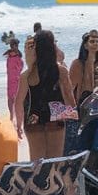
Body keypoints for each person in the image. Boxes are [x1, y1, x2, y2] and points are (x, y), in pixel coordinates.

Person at [16, 30, 75, 160]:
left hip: (33, 117)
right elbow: (68, 95)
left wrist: (18, 124)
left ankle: (39, 181)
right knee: (54, 162)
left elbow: (19, 101)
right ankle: (52, 181)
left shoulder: (27, 74)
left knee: (37, 164)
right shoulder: (61, 71)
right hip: (56, 115)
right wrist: (74, 115)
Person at [3, 38, 23, 134]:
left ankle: (12, 119)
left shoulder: (9, 57)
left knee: (11, 99)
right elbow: (20, 69)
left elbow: (11, 69)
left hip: (11, 80)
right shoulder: (16, 57)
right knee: (17, 101)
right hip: (16, 80)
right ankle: (17, 124)